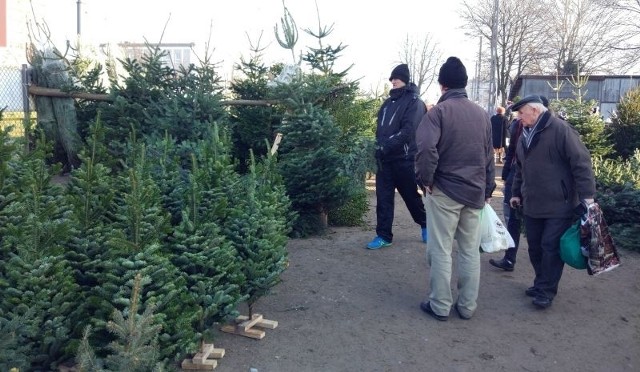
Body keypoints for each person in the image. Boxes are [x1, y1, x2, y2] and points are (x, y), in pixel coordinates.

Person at [414, 57, 496, 320]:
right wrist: (487, 189)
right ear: (465, 83)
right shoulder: (482, 114)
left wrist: (425, 180)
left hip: (445, 191)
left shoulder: (437, 113)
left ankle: (440, 305)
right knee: (470, 251)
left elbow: (426, 149)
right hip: (474, 193)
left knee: (441, 249)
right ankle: (467, 306)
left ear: (442, 85)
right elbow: (488, 156)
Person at [509, 95, 596, 309]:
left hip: (560, 203)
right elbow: (520, 168)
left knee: (550, 247)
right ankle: (541, 282)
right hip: (532, 203)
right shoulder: (525, 135)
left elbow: (581, 163)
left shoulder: (561, 130)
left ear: (535, 111)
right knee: (535, 248)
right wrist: (515, 193)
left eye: (522, 113)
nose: (519, 117)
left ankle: (546, 290)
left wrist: (588, 197)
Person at [367, 63, 427, 249]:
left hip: (404, 159)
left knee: (410, 196)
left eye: (397, 78)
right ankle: (384, 235)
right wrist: (377, 147)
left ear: (405, 80)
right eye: (392, 78)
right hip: (385, 160)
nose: (393, 81)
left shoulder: (414, 102)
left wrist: (386, 146)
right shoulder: (387, 104)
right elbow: (380, 130)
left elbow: (408, 131)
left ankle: (426, 224)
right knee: (383, 199)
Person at [490, 96, 550, 272]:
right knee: (512, 218)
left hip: (536, 184)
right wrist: (506, 174)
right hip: (516, 176)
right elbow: (512, 153)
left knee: (535, 227)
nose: (521, 116)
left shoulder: (553, 130)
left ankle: (543, 274)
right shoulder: (518, 126)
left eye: (523, 112)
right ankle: (510, 257)